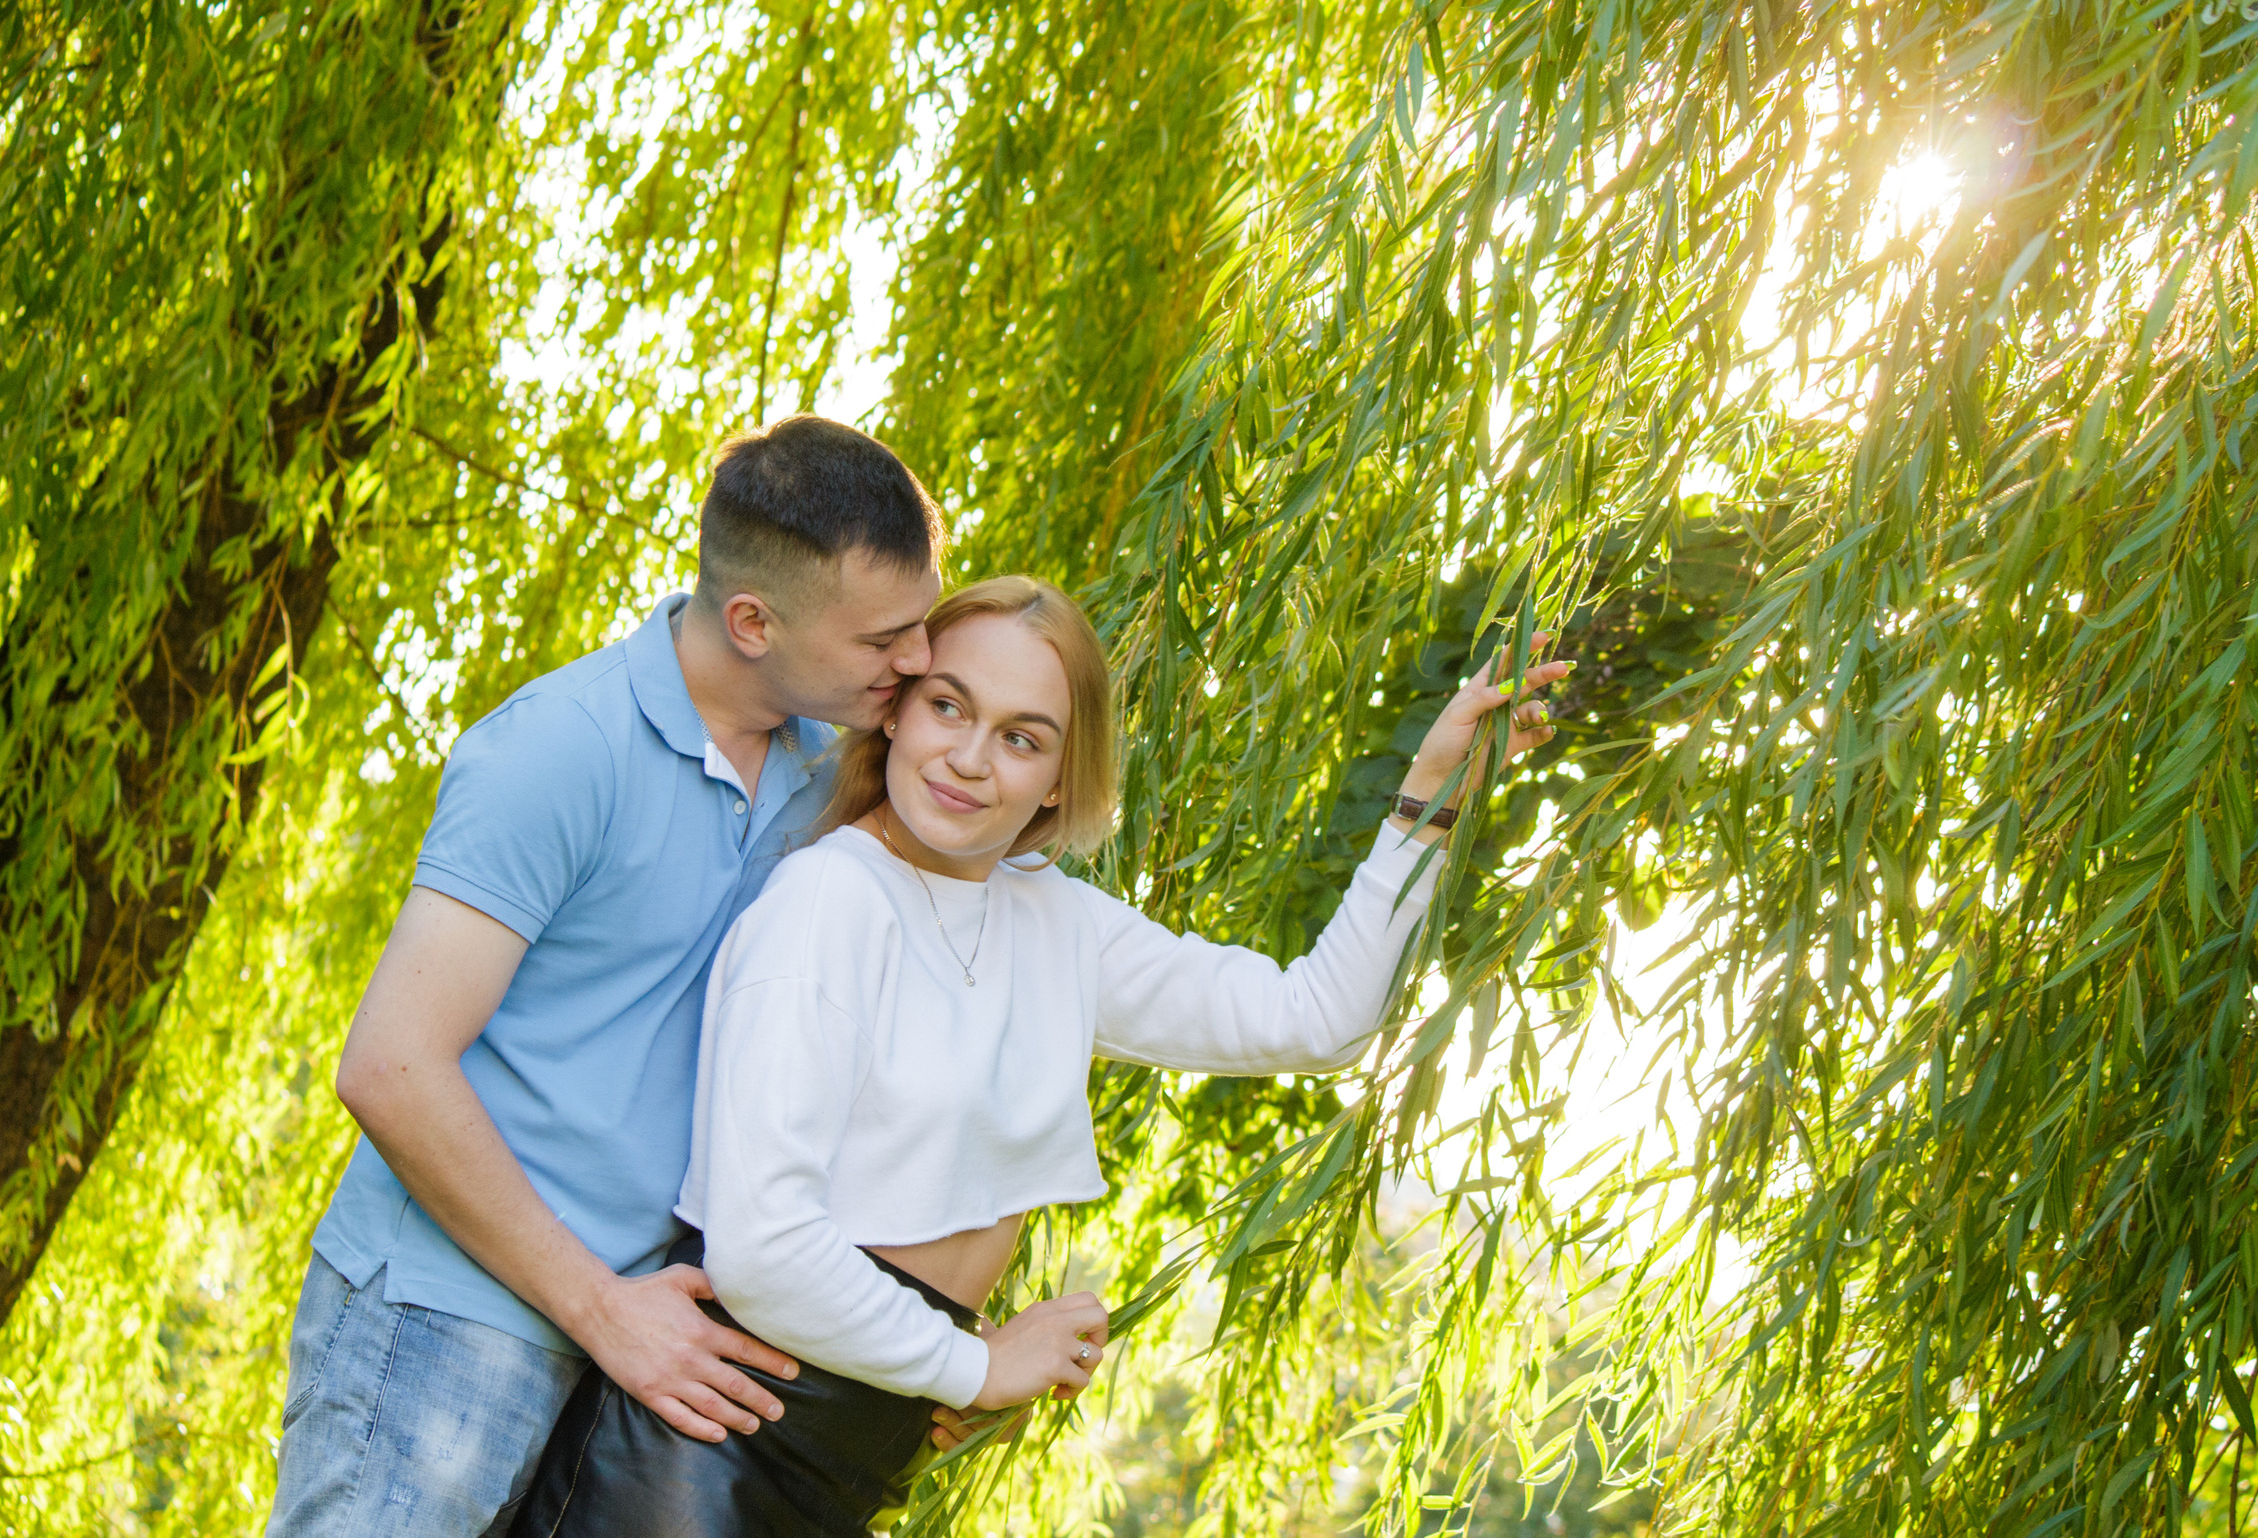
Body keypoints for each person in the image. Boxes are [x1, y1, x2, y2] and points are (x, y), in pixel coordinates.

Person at [509, 575, 1569, 1535]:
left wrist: (1429, 801)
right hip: (705, 1444)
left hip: (860, 1444)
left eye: (1022, 737)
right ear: (897, 711)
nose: (970, 758)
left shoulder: (1055, 924)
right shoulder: (829, 902)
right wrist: (975, 1365)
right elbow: (764, 1248)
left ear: (1063, 777)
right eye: (949, 706)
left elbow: (1312, 1018)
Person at [267, 417, 948, 1538]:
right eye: (885, 638)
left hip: (648, 1332)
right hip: (444, 1322)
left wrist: (928, 1354)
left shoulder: (830, 779)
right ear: (752, 621)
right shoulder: (555, 751)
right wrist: (603, 1310)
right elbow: (389, 1066)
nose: (917, 661)